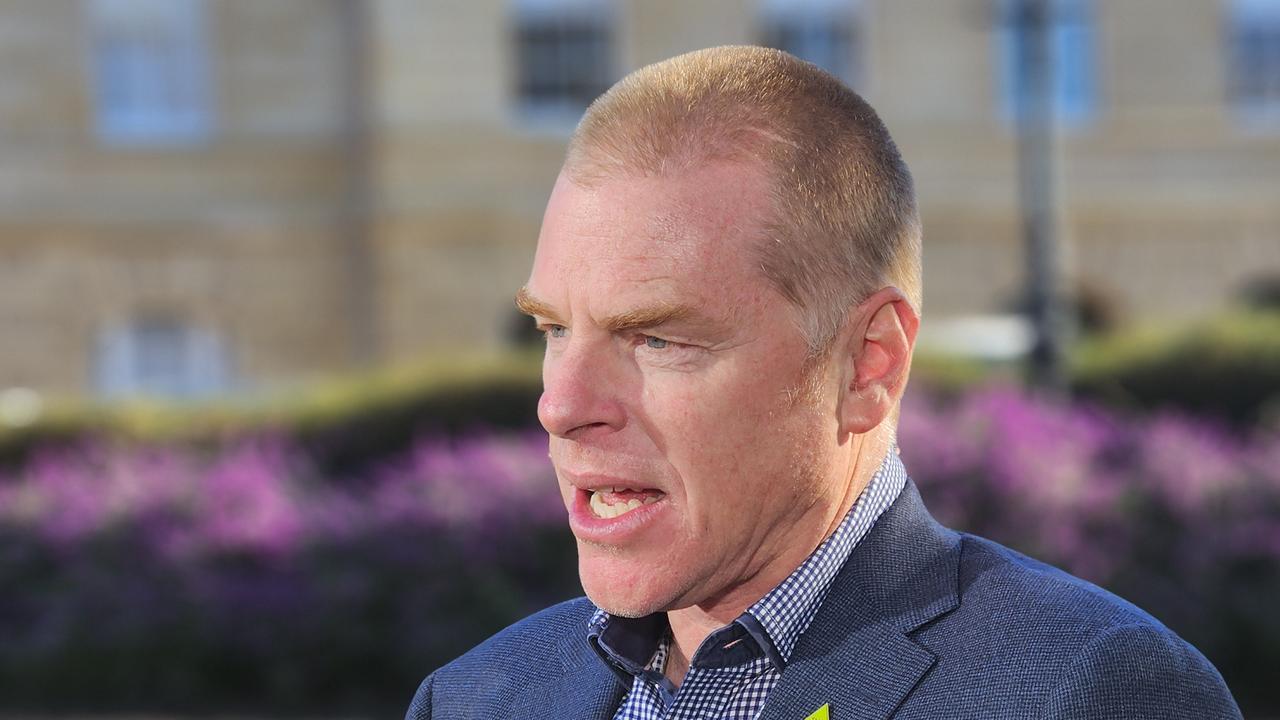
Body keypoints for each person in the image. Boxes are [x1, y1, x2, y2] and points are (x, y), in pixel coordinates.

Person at [407, 46, 1242, 720]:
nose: (561, 405)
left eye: (656, 337)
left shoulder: (1089, 691)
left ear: (867, 363)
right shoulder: (473, 698)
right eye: (553, 329)